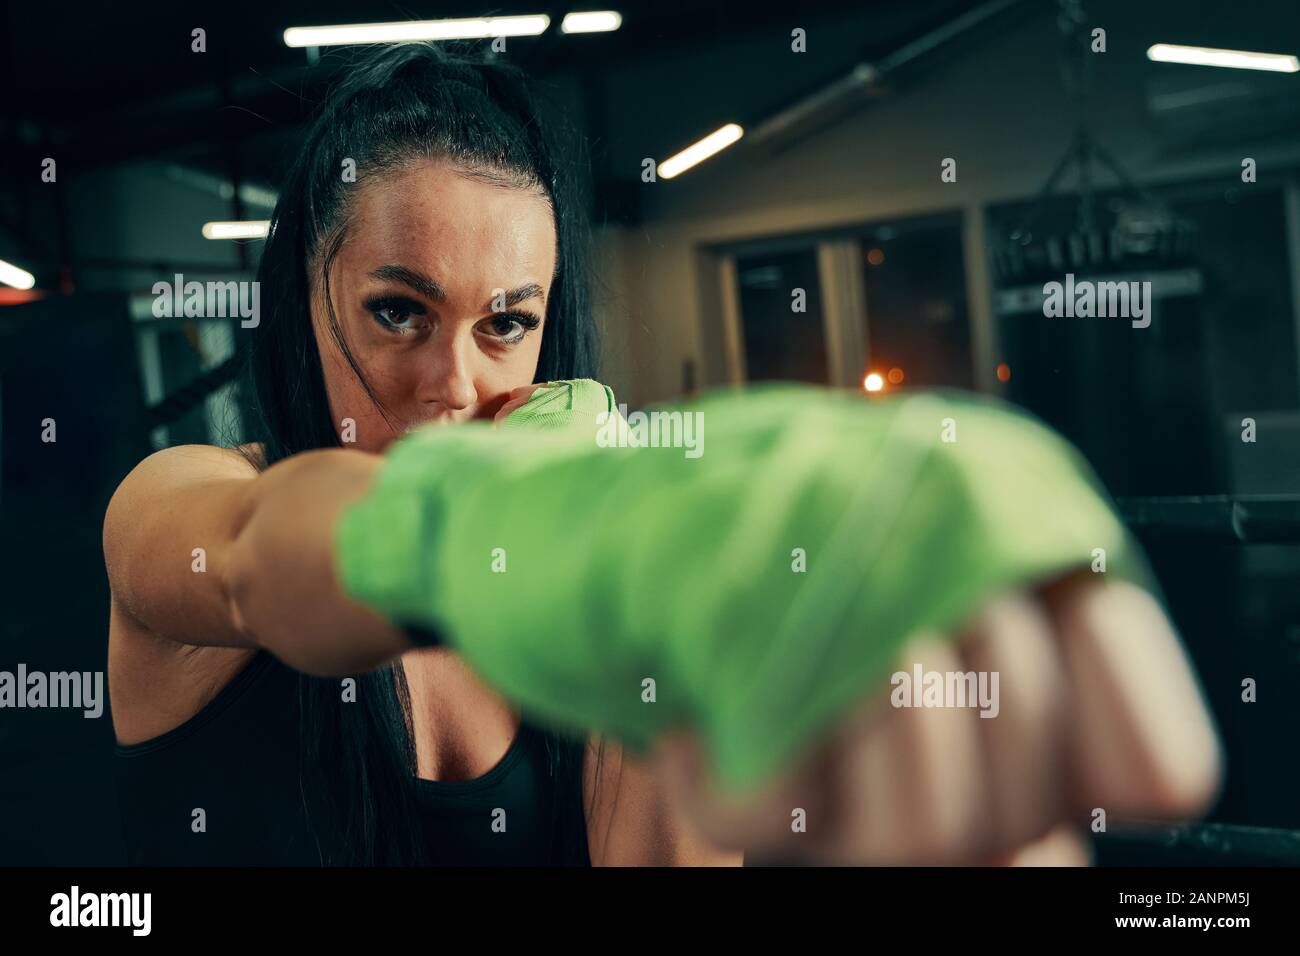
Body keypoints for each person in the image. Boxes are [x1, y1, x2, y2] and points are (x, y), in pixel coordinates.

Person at [104, 41, 1221, 868]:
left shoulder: (597, 583)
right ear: (306, 299)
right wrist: (513, 525)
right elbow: (256, 559)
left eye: (506, 322)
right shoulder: (186, 499)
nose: (453, 385)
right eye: (398, 312)